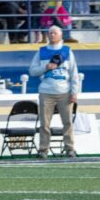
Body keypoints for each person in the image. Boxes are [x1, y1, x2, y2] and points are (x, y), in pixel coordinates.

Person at [27, 25, 79, 159]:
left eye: (55, 33)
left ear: (61, 35)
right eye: (50, 33)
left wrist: (74, 92)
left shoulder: (68, 52)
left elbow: (74, 73)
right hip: (46, 91)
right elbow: (32, 71)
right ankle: (43, 150)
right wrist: (46, 67)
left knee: (67, 122)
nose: (52, 35)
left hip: (65, 92)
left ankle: (70, 148)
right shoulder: (41, 51)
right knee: (45, 123)